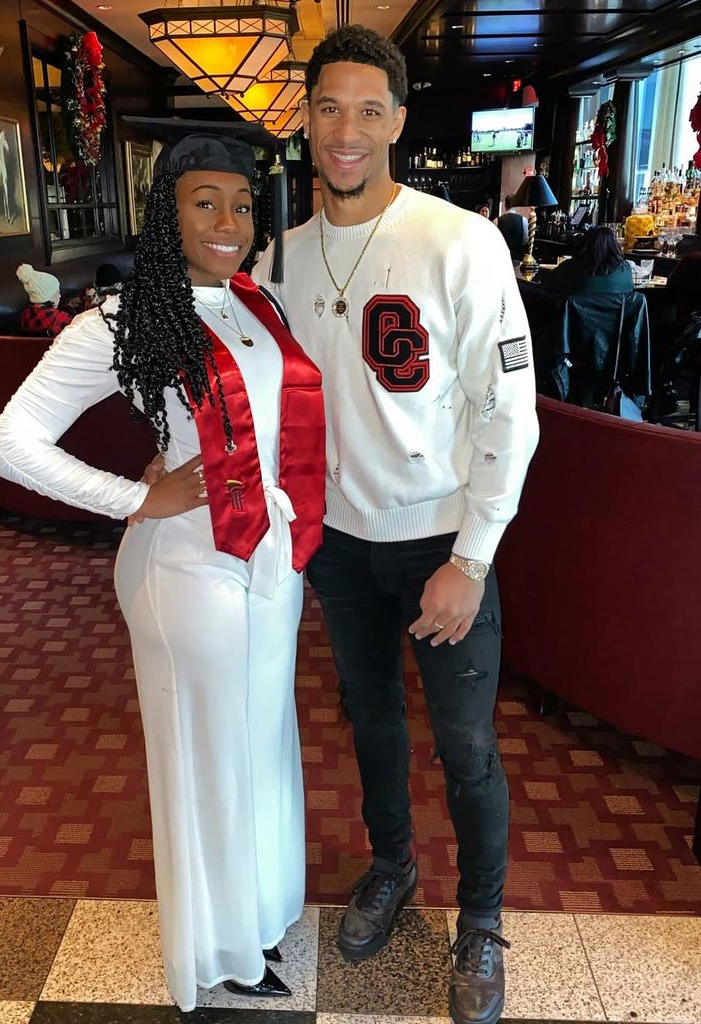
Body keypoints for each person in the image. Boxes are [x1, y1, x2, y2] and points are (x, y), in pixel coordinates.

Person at [0, 124, 326, 1013]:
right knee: (207, 758)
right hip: (186, 574)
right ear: (162, 214)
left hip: (264, 562)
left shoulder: (257, 301)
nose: (228, 220)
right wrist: (134, 499)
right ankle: (216, 949)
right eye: (202, 201)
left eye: (242, 203)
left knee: (259, 744)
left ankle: (257, 911)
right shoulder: (124, 316)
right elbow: (11, 443)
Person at [253, 26, 539, 1024]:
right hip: (336, 544)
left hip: (439, 542)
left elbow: (510, 413)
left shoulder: (460, 241)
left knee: (464, 742)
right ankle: (392, 864)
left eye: (370, 110)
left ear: (399, 122)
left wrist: (473, 556)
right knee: (370, 722)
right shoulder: (279, 256)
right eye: (329, 106)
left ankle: (486, 920)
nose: (346, 130)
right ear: (307, 116)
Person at [16, 264, 73, 337]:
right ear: (48, 296)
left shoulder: (25, 314)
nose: (60, 296)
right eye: (57, 293)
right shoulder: (59, 319)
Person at [495, 194, 529, 261]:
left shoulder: (497, 220)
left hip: (501, 257)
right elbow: (525, 240)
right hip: (518, 257)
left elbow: (495, 241)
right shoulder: (524, 220)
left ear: (505, 205)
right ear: (516, 205)